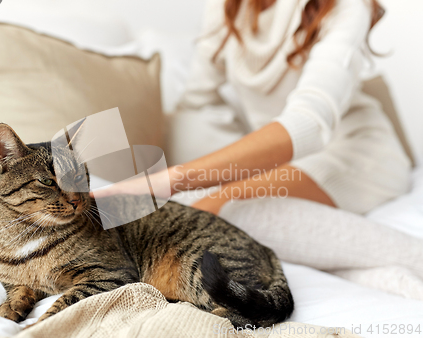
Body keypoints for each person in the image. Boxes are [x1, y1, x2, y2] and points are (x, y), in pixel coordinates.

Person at [164, 0, 410, 215]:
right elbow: (196, 99)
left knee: (216, 206)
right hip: (279, 160)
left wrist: (173, 178)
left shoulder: (347, 5)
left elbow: (309, 124)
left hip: (357, 155)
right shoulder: (227, 5)